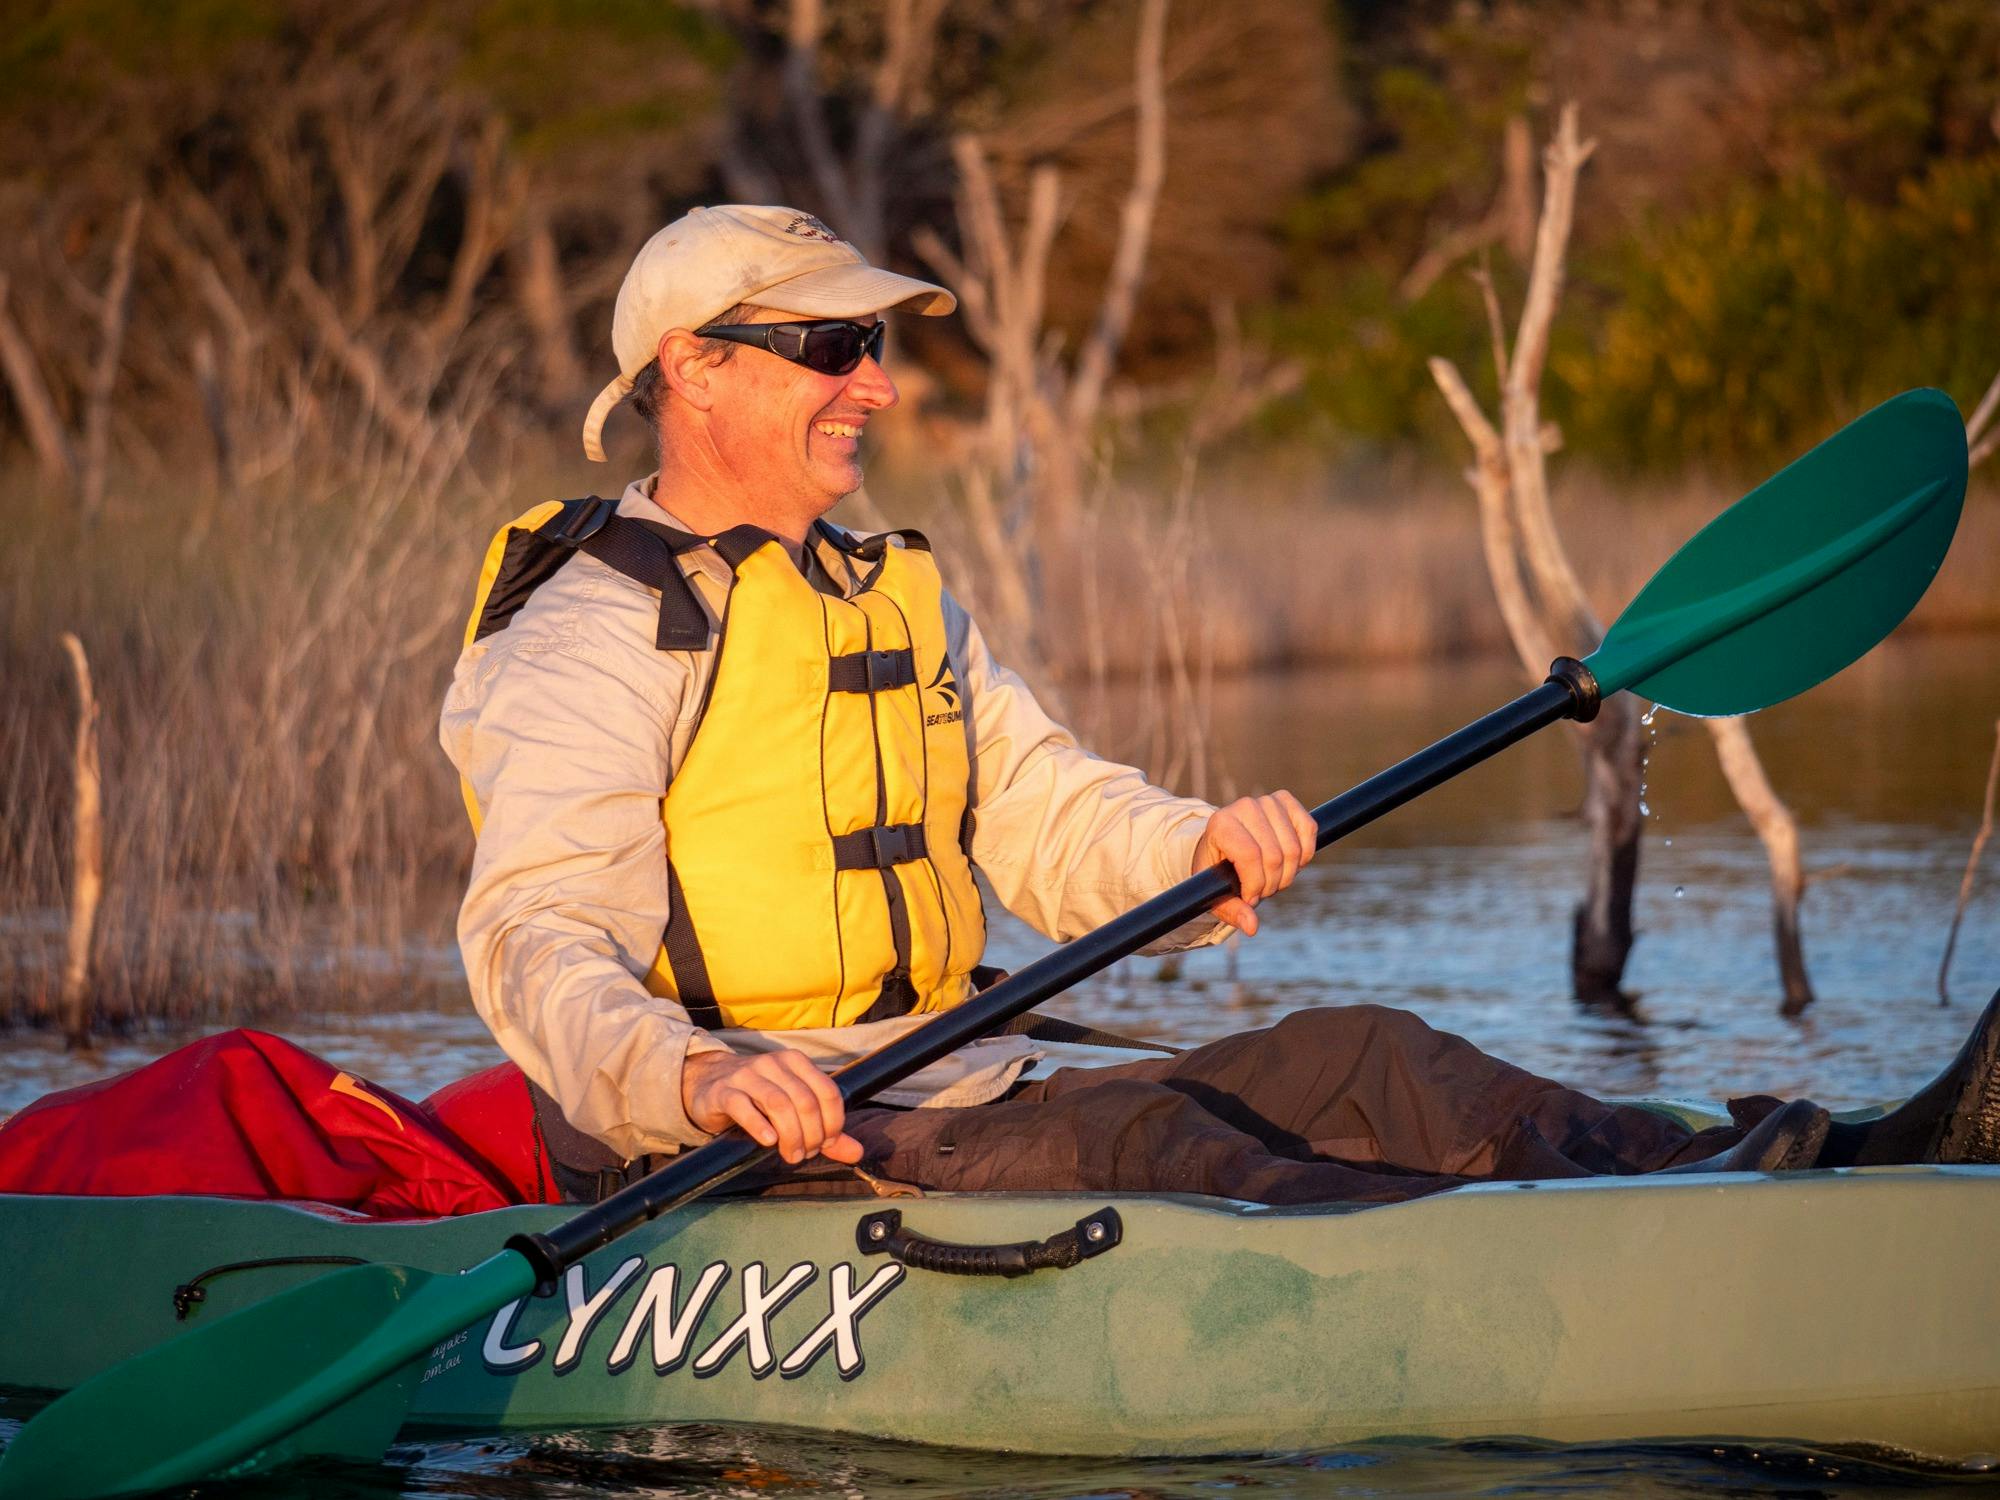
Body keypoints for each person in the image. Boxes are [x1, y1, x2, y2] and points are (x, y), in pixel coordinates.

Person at [440, 204, 1998, 1207]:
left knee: (1373, 1057)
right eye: (833, 346)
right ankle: (1603, 1263)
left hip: (949, 1074)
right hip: (735, 1145)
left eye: (881, 345)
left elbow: (1048, 812)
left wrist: (1197, 850)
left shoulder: (886, 586)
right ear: (695, 371)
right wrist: (701, 1074)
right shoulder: (593, 627)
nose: (881, 383)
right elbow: (536, 939)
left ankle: (1824, 1165)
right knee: (1162, 1156)